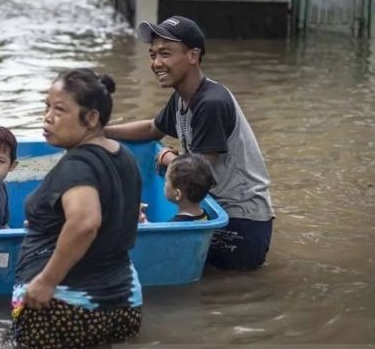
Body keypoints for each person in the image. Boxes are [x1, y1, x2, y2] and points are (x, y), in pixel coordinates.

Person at [104, 16, 274, 270]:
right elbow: (153, 128)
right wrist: (102, 131)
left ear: (193, 55)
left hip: (240, 220)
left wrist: (169, 159)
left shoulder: (211, 103)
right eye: (153, 55)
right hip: (214, 210)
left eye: (165, 53)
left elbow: (198, 173)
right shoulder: (182, 97)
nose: (156, 63)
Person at [12, 68, 142, 349]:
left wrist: (47, 281)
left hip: (67, 306)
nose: (47, 117)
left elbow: (85, 223)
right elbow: (109, 218)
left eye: (59, 110)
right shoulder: (123, 156)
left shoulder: (77, 166)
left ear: (91, 118)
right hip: (124, 301)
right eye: (47, 107)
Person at [164, 152, 215, 222]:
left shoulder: (172, 227)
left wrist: (145, 223)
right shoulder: (205, 216)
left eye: (166, 181)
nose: (165, 184)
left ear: (177, 194)